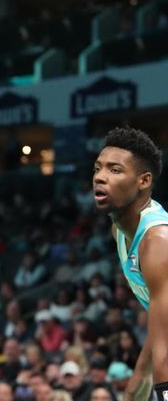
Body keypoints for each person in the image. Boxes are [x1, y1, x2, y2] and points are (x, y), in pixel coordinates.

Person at [93, 126, 167, 401]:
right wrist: (140, 377)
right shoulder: (121, 233)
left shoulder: (157, 241)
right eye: (97, 168)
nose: (100, 177)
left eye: (114, 170)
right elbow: (162, 325)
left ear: (143, 181)